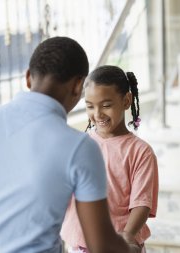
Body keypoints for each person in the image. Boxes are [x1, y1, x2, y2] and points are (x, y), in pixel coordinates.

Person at [0, 37, 140, 253]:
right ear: (77, 86)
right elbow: (101, 246)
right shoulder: (80, 148)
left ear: (28, 78)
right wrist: (131, 249)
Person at [61, 65, 159, 253]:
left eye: (106, 105)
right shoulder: (80, 144)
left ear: (126, 101)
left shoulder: (141, 152)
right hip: (81, 245)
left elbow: (142, 203)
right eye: (90, 106)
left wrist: (127, 236)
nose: (97, 114)